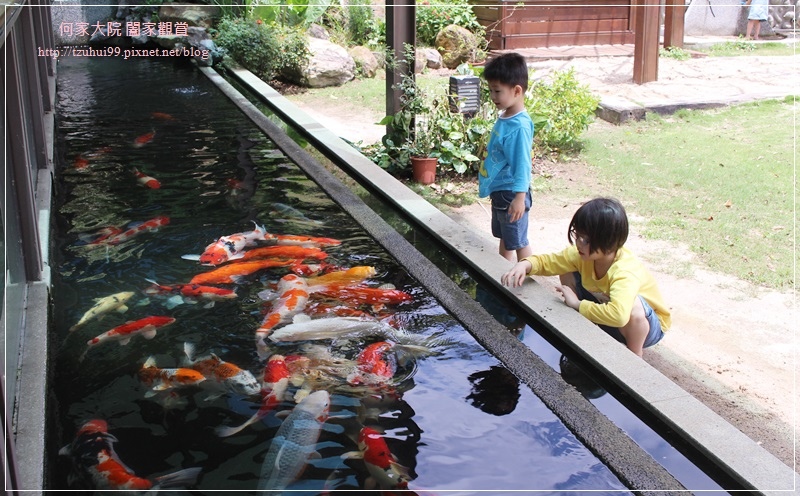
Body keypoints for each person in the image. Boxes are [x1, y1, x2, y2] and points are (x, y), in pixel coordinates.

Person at [500, 197, 670, 357]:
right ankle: (582, 323)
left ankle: (634, 355)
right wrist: (525, 264)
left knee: (633, 306)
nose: (579, 243)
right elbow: (550, 262)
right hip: (608, 313)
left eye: (586, 240)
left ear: (609, 242)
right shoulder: (582, 254)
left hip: (646, 328)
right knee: (565, 268)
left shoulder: (625, 271)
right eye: (578, 236)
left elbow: (619, 315)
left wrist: (577, 304)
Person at [478, 52, 535, 262]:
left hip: (512, 193)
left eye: (497, 91)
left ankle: (528, 283)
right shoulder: (507, 117)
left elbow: (522, 165)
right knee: (506, 237)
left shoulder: (518, 127)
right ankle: (502, 273)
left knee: (518, 241)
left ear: (517, 90)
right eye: (491, 90)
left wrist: (520, 198)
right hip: (502, 192)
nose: (493, 96)